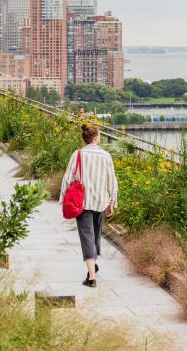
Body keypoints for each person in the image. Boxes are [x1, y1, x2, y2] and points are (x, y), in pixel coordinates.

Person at [59, 122, 118, 288]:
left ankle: (91, 275)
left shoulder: (77, 154)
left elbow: (68, 178)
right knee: (96, 235)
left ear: (85, 138)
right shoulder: (106, 156)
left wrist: (63, 199)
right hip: (100, 201)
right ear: (97, 138)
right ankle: (92, 269)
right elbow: (111, 180)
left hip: (82, 203)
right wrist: (112, 202)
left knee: (87, 236)